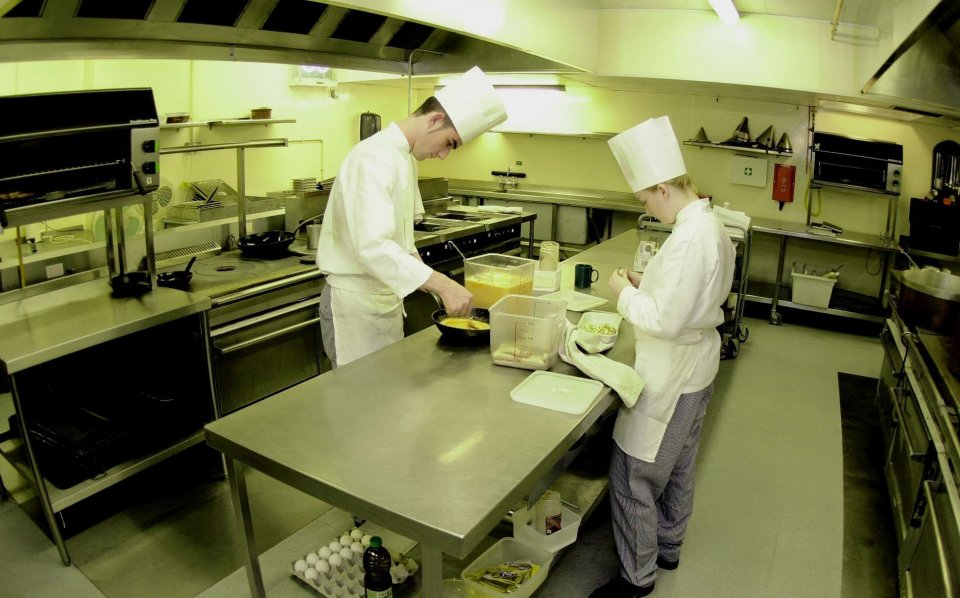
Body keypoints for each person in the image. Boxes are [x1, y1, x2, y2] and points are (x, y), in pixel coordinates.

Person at [591, 116, 735, 598]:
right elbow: (687, 298)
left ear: (661, 188)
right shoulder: (709, 225)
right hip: (697, 368)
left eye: (646, 200)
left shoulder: (691, 238)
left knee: (635, 474)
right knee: (678, 465)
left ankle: (637, 578)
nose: (647, 209)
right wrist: (645, 283)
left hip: (672, 373)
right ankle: (669, 547)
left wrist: (621, 293)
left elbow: (666, 321)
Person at [316, 67, 507, 368]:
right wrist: (443, 284)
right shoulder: (370, 158)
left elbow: (402, 243)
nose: (444, 155)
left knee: (385, 404)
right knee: (355, 407)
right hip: (353, 308)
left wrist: (431, 283)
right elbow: (372, 246)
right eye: (449, 143)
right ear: (435, 120)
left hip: (384, 304)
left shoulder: (406, 159)